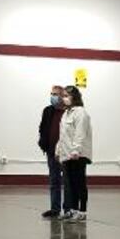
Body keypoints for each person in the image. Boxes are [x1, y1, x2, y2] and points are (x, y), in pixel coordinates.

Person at [56, 85, 92, 220]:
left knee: (79, 183)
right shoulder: (66, 113)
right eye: (63, 96)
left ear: (74, 97)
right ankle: (73, 210)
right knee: (70, 184)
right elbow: (63, 135)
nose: (64, 99)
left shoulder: (80, 112)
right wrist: (58, 150)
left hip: (78, 155)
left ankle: (82, 211)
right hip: (67, 155)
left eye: (67, 96)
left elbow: (80, 134)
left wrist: (76, 150)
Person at [37, 84, 66, 220]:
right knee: (54, 181)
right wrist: (43, 143)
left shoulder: (69, 111)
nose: (52, 97)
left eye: (55, 94)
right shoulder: (48, 111)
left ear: (62, 96)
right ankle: (55, 209)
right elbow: (42, 127)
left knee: (68, 182)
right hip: (51, 151)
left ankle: (68, 209)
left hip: (66, 152)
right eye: (51, 94)